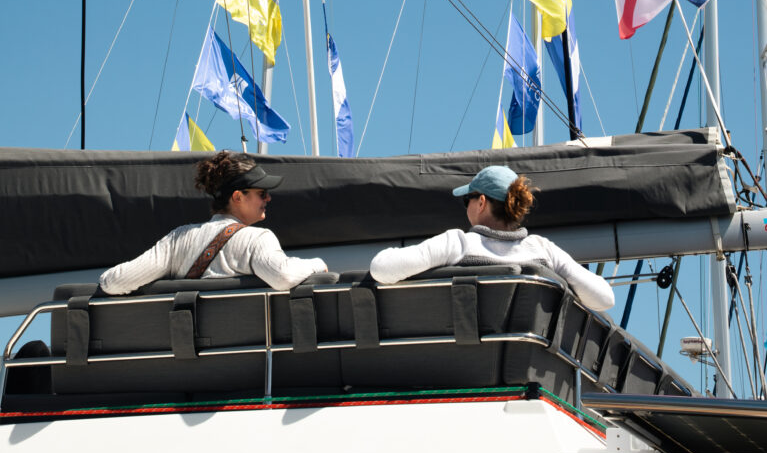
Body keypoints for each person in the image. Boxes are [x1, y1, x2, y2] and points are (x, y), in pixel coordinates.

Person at [369, 164, 614, 311]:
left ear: (482, 202)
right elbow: (604, 298)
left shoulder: (458, 243)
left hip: (461, 362)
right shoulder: (543, 250)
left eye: (468, 200)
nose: (466, 207)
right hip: (526, 364)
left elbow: (382, 269)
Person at [100, 151, 328, 294]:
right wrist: (317, 263)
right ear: (238, 197)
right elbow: (283, 276)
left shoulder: (178, 239)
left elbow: (114, 282)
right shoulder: (258, 238)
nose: (268, 198)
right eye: (262, 192)